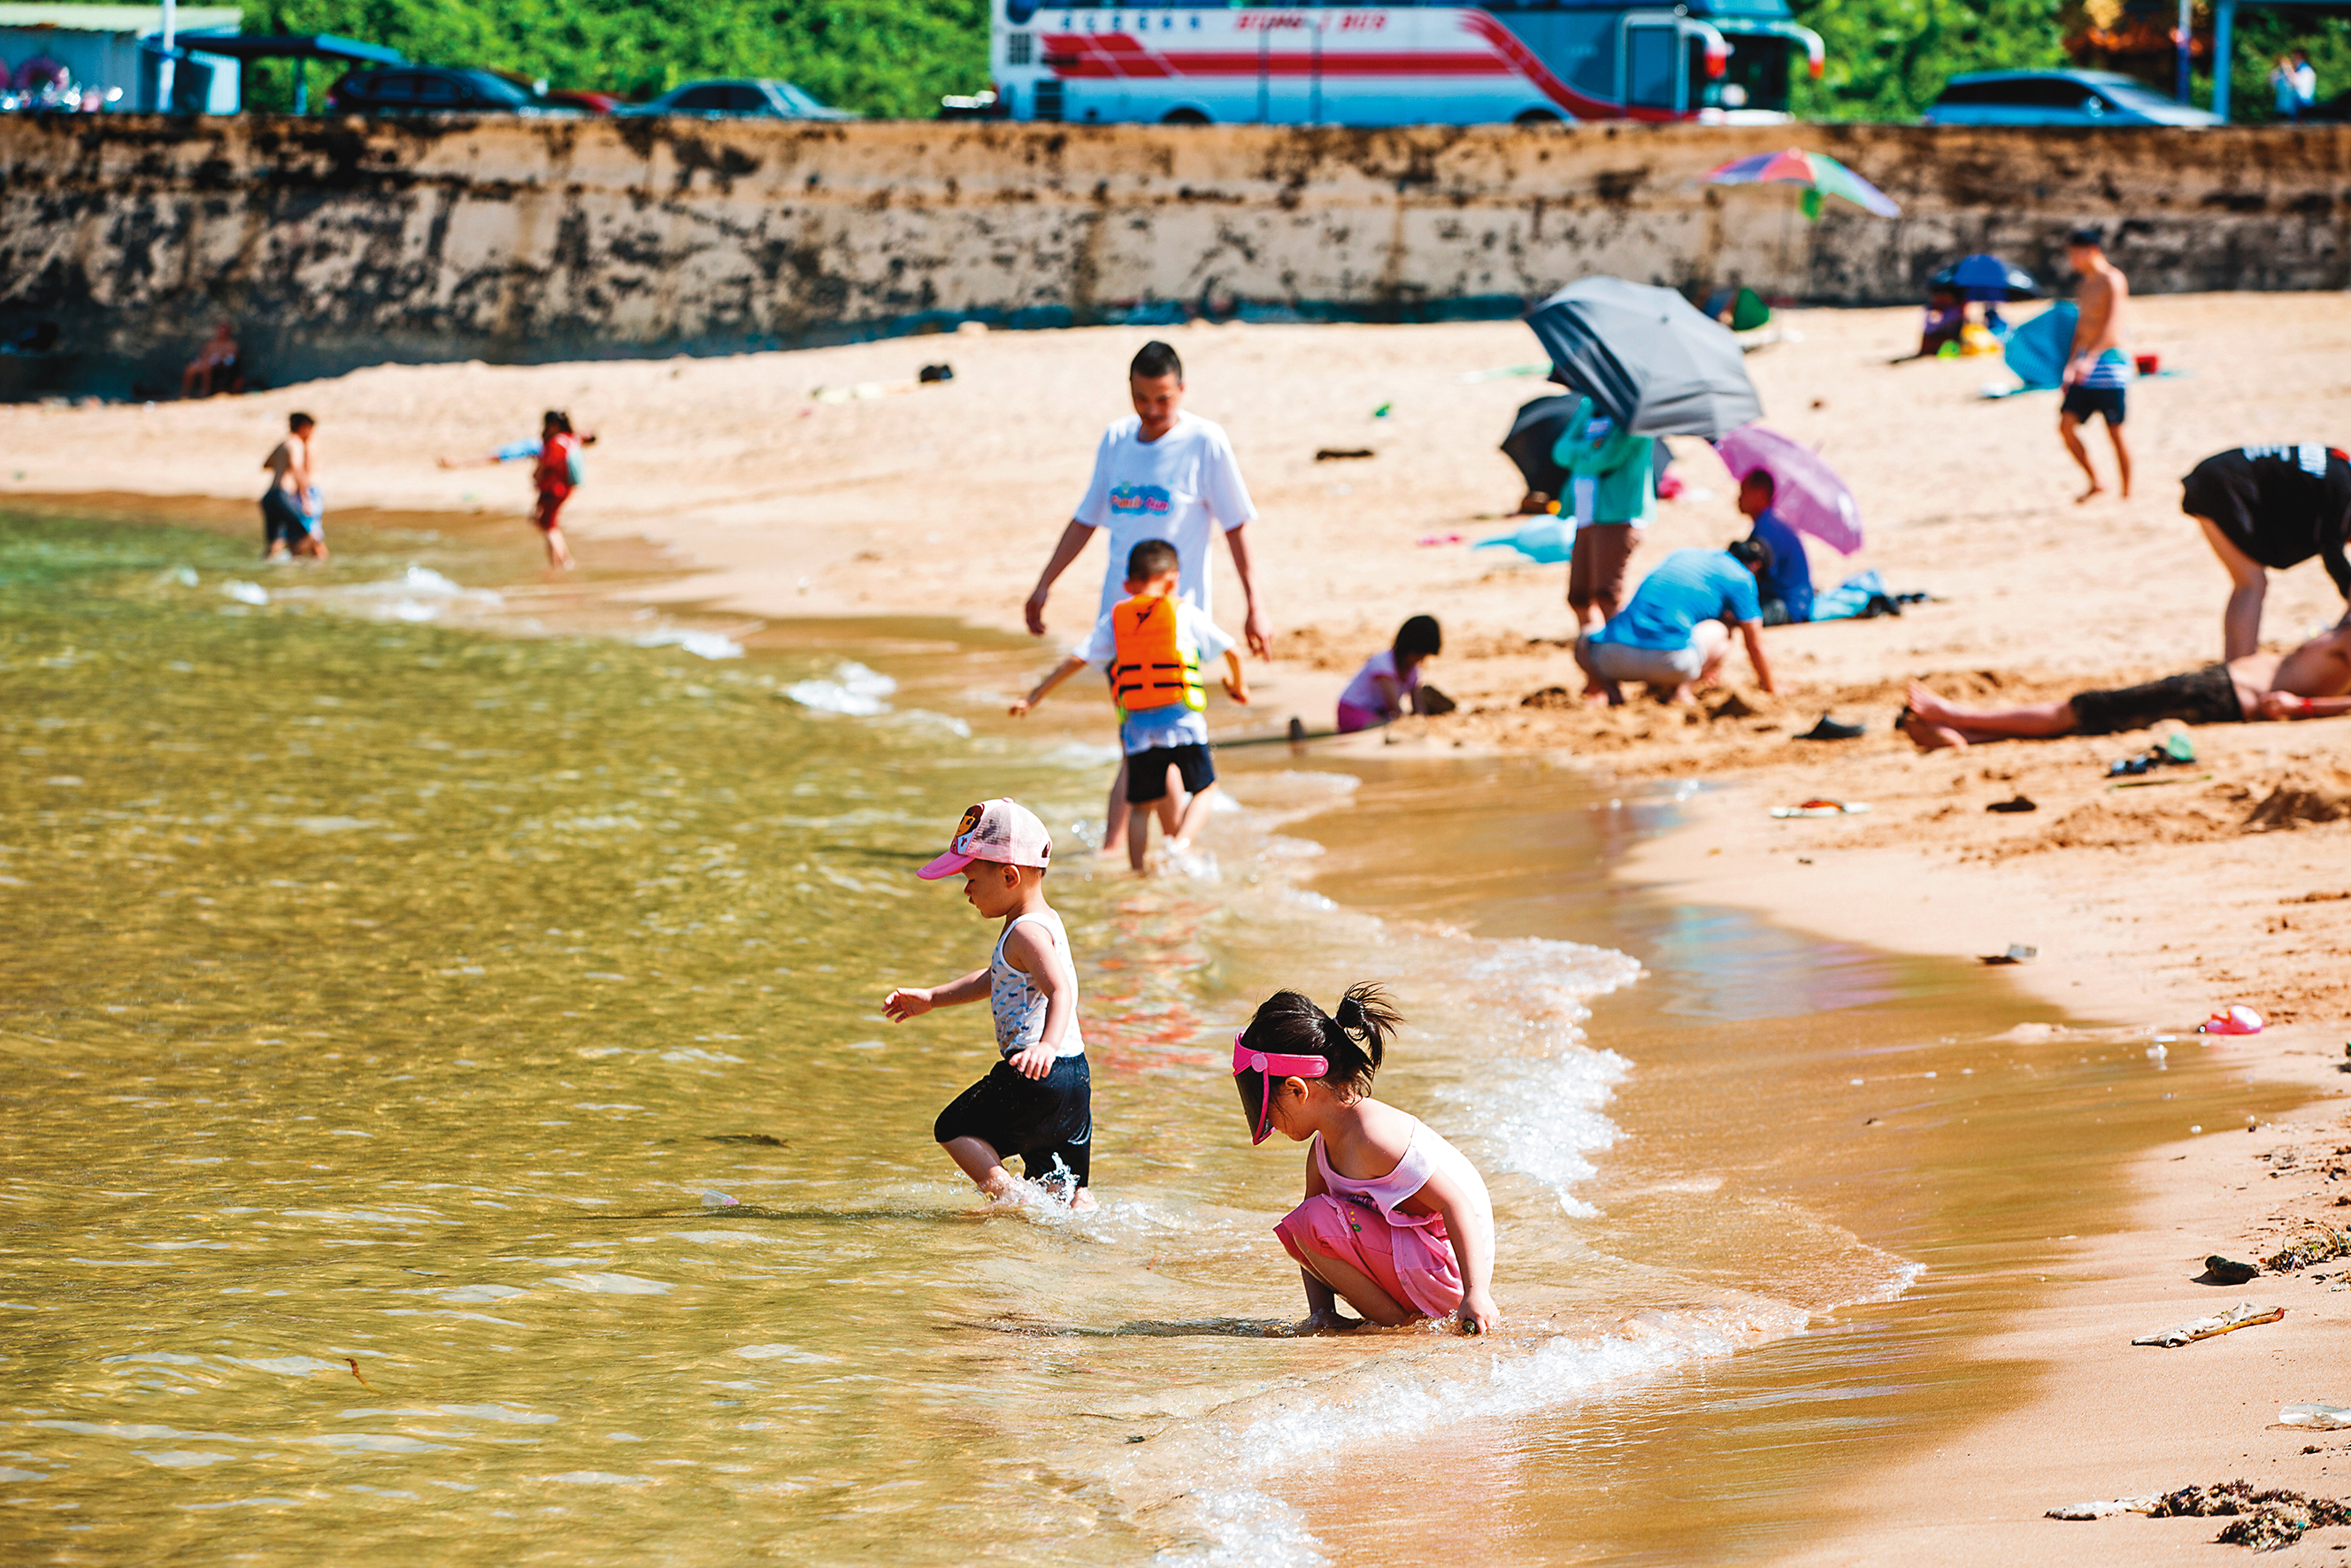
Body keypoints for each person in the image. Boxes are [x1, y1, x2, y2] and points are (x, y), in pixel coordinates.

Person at [1024, 342, 1270, 858]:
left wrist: (1255, 604)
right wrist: (1046, 582)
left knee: (1160, 744)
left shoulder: (1205, 442)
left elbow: (1236, 526)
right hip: (1118, 623)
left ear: (1182, 390)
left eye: (1163, 399)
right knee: (1138, 740)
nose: (1153, 411)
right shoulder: (1116, 439)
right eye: (1142, 398)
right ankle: (1139, 856)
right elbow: (1087, 518)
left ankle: (1154, 853)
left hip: (1178, 628)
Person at [1233, 984, 1497, 1335]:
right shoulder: (1323, 1150)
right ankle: (1397, 1323)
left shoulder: (1373, 1136)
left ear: (1298, 1090)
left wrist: (1476, 1293)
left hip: (1447, 1273)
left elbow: (1456, 1203)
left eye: (1267, 1107)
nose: (1268, 1122)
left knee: (1311, 1219)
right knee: (1303, 1223)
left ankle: (1404, 1324)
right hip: (1415, 1263)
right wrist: (1321, 1312)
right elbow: (1306, 1242)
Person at [884, 799, 1094, 1211]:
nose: (965, 890)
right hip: (1073, 1076)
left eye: (971, 878)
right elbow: (995, 977)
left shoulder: (1025, 933)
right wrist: (931, 999)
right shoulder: (1045, 921)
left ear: (1010, 875)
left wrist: (1044, 1047)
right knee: (1063, 1187)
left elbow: (1062, 990)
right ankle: (1084, 1236)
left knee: (953, 1127)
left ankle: (1011, 1201)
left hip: (1035, 1069)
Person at [1011, 539, 1248, 872]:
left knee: (1140, 808)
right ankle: (1180, 845)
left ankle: (1138, 877)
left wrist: (1033, 695)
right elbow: (1233, 652)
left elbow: (1077, 659)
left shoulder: (1117, 618)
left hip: (1138, 731)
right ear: (1172, 580)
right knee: (1206, 788)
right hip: (1182, 724)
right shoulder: (1182, 612)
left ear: (1127, 585)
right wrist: (1239, 686)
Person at [1898, 620, 2351, 749]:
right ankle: (1970, 735)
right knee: (2089, 717)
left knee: (2081, 709)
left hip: (2225, 696)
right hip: (2221, 687)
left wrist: (2303, 707)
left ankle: (1956, 717)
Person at [2181, 442, 2351, 660]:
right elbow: (2333, 551)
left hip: (2215, 475)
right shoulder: (2342, 491)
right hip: (2221, 483)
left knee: (2248, 583)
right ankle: (2240, 670)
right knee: (2251, 584)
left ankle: (2234, 665)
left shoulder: (2341, 471)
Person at [1573, 542, 1778, 706]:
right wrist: (1771, 687)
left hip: (1613, 658)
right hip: (1672, 664)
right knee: (1722, 630)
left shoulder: (1683, 555)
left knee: (1586, 636)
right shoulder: (1742, 578)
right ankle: (1682, 691)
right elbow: (1755, 643)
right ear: (1756, 567)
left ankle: (1609, 691)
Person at [1554, 396, 1654, 632]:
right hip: (1584, 514)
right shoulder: (1590, 405)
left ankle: (1620, 653)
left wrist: (1580, 452)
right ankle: (1592, 654)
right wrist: (1592, 447)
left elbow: (1607, 458)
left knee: (1607, 596)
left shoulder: (1637, 414)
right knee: (1579, 596)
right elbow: (1559, 451)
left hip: (1619, 516)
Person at [2058, 227, 2132, 503]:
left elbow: (2113, 325)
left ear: (2091, 251)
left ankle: (2127, 493)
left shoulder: (2112, 279)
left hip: (2110, 363)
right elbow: (2081, 326)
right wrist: (2072, 363)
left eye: (2073, 254)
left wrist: (2089, 359)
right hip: (2084, 364)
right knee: (2066, 426)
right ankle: (2096, 482)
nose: (2070, 260)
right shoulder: (2085, 284)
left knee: (2115, 431)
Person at [1336, 615, 1442, 733]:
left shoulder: (1412, 670)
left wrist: (1421, 720)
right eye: (1420, 654)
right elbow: (1394, 708)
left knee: (1389, 725)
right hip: (1353, 711)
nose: (1421, 659)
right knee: (1387, 728)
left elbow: (1419, 706)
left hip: (1377, 713)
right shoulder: (1383, 664)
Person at [1736, 471, 1813, 626]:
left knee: (1737, 615)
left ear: (1760, 494)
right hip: (1797, 600)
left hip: (1789, 605)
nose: (1738, 498)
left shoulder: (1767, 528)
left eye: (1744, 492)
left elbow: (1758, 574)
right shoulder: (1769, 522)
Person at [259, 412, 326, 562]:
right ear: (304, 427)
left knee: (274, 544)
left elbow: (266, 464)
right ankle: (304, 564)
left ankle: (266, 571)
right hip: (283, 496)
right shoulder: (296, 444)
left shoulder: (283, 444)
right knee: (311, 533)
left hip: (269, 497)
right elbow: (297, 469)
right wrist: (305, 498)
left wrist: (282, 466)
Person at [531, 410, 581, 570]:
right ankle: (563, 560)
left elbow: (546, 464)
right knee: (550, 524)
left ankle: (559, 563)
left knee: (549, 526)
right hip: (563, 488)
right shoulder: (570, 439)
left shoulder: (555, 443)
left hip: (554, 489)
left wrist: (536, 475)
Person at [181, 322, 240, 400]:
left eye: (225, 331)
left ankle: (203, 393)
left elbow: (230, 360)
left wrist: (222, 361)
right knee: (190, 368)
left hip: (219, 366)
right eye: (221, 331)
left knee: (207, 369)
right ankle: (185, 394)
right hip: (204, 363)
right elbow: (203, 355)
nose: (222, 333)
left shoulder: (232, 345)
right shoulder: (211, 343)